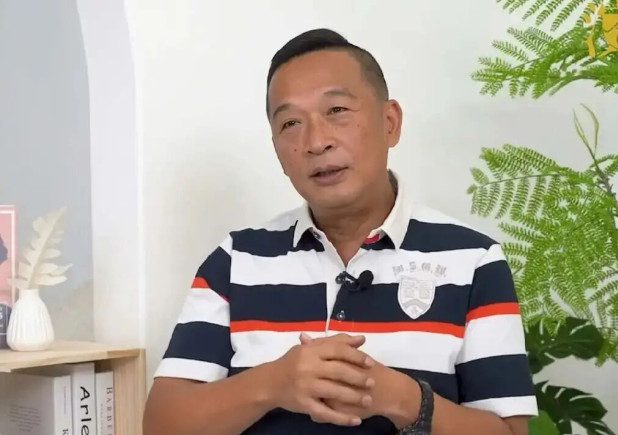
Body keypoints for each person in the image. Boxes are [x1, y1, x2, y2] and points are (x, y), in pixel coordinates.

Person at [142, 28, 538, 435]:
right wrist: (274, 383)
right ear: (277, 148)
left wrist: (403, 400)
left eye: (336, 111)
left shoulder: (474, 262)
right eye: (291, 123)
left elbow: (510, 433)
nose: (316, 142)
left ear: (390, 123)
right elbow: (161, 425)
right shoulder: (236, 260)